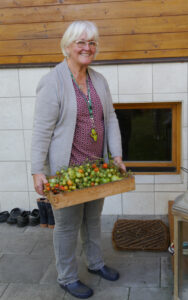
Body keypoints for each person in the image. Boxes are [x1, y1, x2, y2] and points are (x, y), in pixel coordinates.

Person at [31, 20, 126, 299]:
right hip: (67, 171)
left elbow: (109, 118)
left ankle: (95, 264)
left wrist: (116, 154)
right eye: (81, 42)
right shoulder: (52, 82)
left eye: (92, 42)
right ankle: (67, 277)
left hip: (96, 168)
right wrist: (38, 170)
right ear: (67, 47)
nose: (88, 47)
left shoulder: (99, 80)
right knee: (68, 225)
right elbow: (41, 130)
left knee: (93, 219)